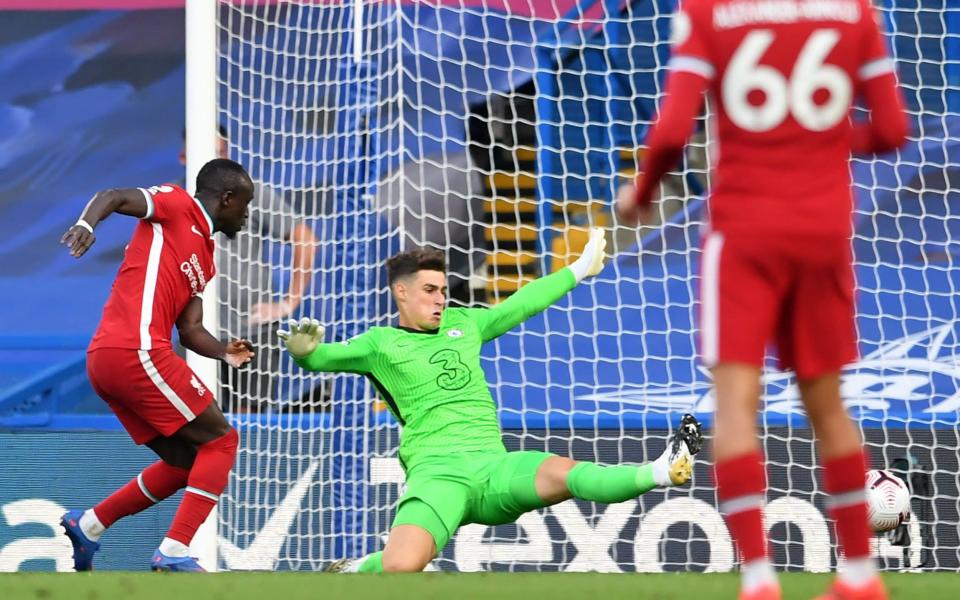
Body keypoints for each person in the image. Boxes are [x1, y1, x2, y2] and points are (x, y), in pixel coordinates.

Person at [616, 0, 908, 596]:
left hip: (745, 231)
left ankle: (758, 580)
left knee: (735, 405)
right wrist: (818, 137)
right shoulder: (855, 13)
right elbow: (893, 130)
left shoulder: (707, 12)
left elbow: (674, 130)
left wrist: (641, 192)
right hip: (824, 230)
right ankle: (859, 575)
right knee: (828, 406)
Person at [277, 229, 704, 573]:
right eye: (430, 290)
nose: (441, 299)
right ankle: (357, 569)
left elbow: (522, 303)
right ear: (401, 293)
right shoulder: (380, 343)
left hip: (494, 468)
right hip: (437, 476)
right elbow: (323, 358)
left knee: (568, 473)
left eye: (444, 289)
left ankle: (662, 470)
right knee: (401, 566)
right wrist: (302, 352)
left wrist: (578, 269)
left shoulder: (466, 323)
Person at [58, 159, 256, 572]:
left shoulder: (207, 256)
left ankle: (90, 524)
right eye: (246, 204)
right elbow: (113, 196)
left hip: (111, 360)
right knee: (222, 441)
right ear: (227, 198)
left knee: (190, 463)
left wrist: (223, 351)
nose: (248, 214)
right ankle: (174, 550)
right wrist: (87, 224)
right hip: (136, 351)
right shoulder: (175, 203)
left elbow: (190, 329)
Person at [179, 128, 319, 411]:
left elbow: (305, 238)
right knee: (196, 420)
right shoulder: (175, 201)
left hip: (252, 332)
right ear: (185, 158)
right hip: (194, 332)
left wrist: (288, 303)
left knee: (248, 425)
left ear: (227, 154)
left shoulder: (252, 195)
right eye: (202, 155)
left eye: (217, 153)